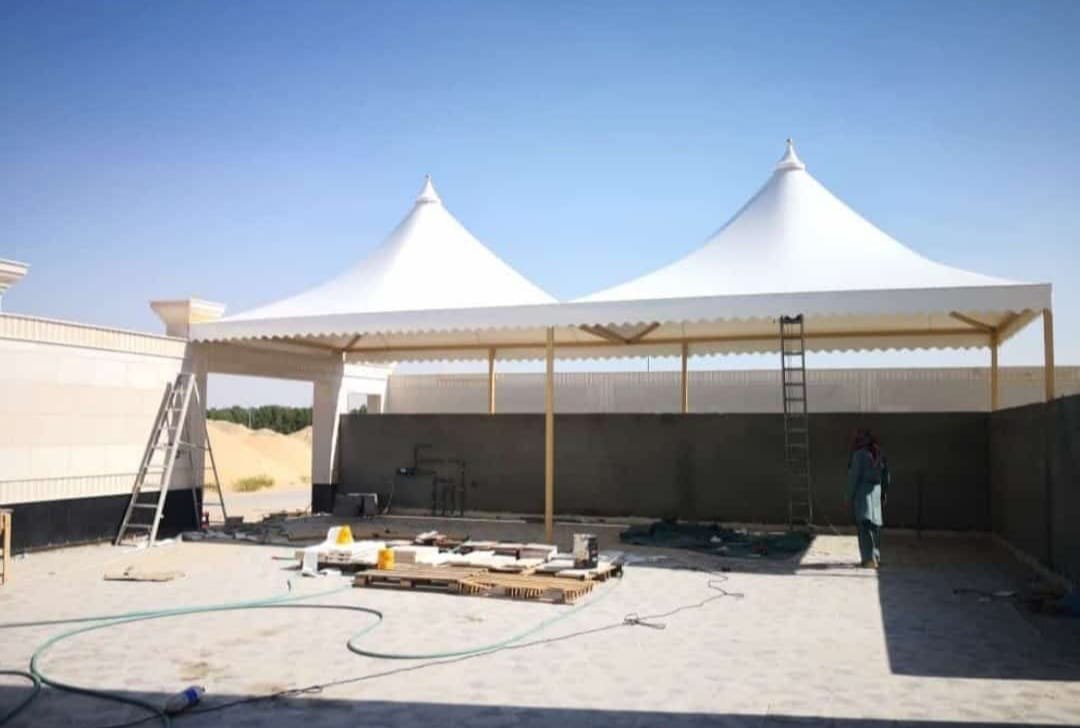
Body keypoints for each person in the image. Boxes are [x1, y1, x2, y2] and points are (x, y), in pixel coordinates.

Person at [848, 429, 890, 568]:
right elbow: (886, 476)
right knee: (875, 526)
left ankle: (868, 559)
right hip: (876, 492)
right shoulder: (880, 454)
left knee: (864, 526)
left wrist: (850, 495)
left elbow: (854, 477)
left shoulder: (859, 455)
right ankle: (876, 556)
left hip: (863, 493)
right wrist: (884, 493)